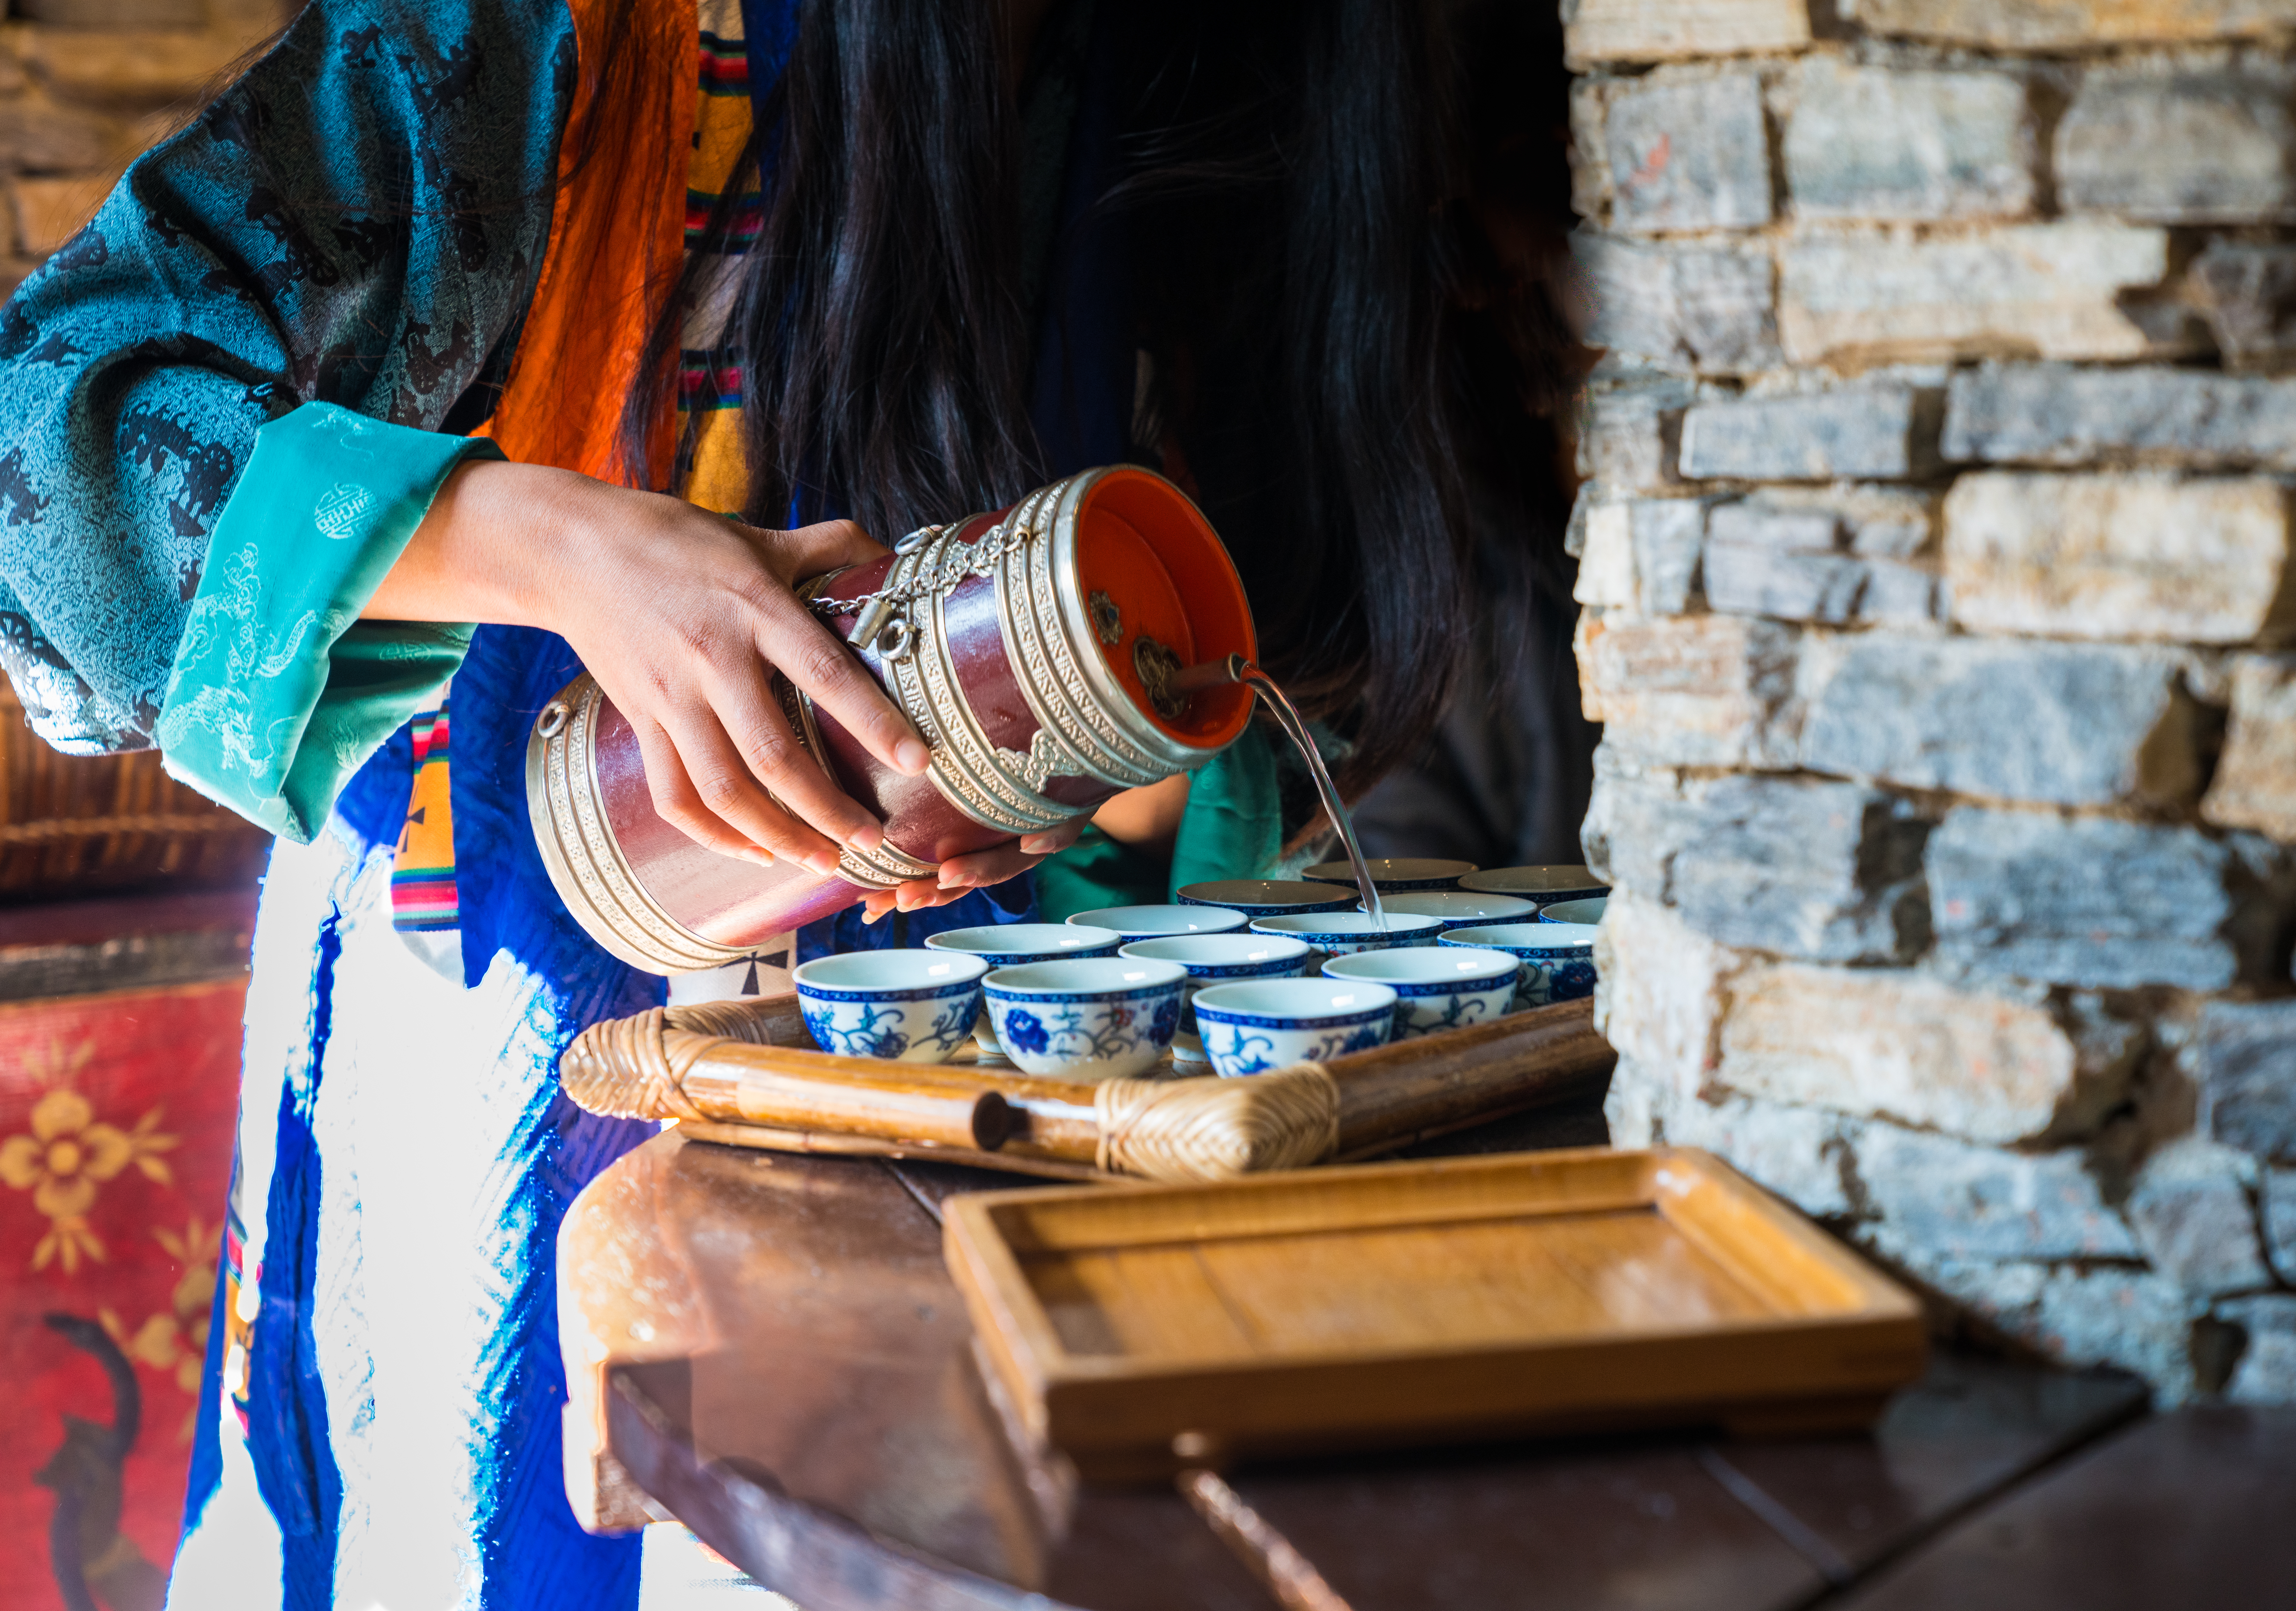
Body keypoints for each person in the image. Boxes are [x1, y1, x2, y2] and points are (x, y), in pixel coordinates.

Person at [0, 0, 1573, 1602]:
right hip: (513, 1033)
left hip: (993, 1103)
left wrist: (1099, 784)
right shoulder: (545, 44)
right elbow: (41, 449)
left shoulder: (1268, 71)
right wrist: (567, 552)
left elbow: (1277, 676)